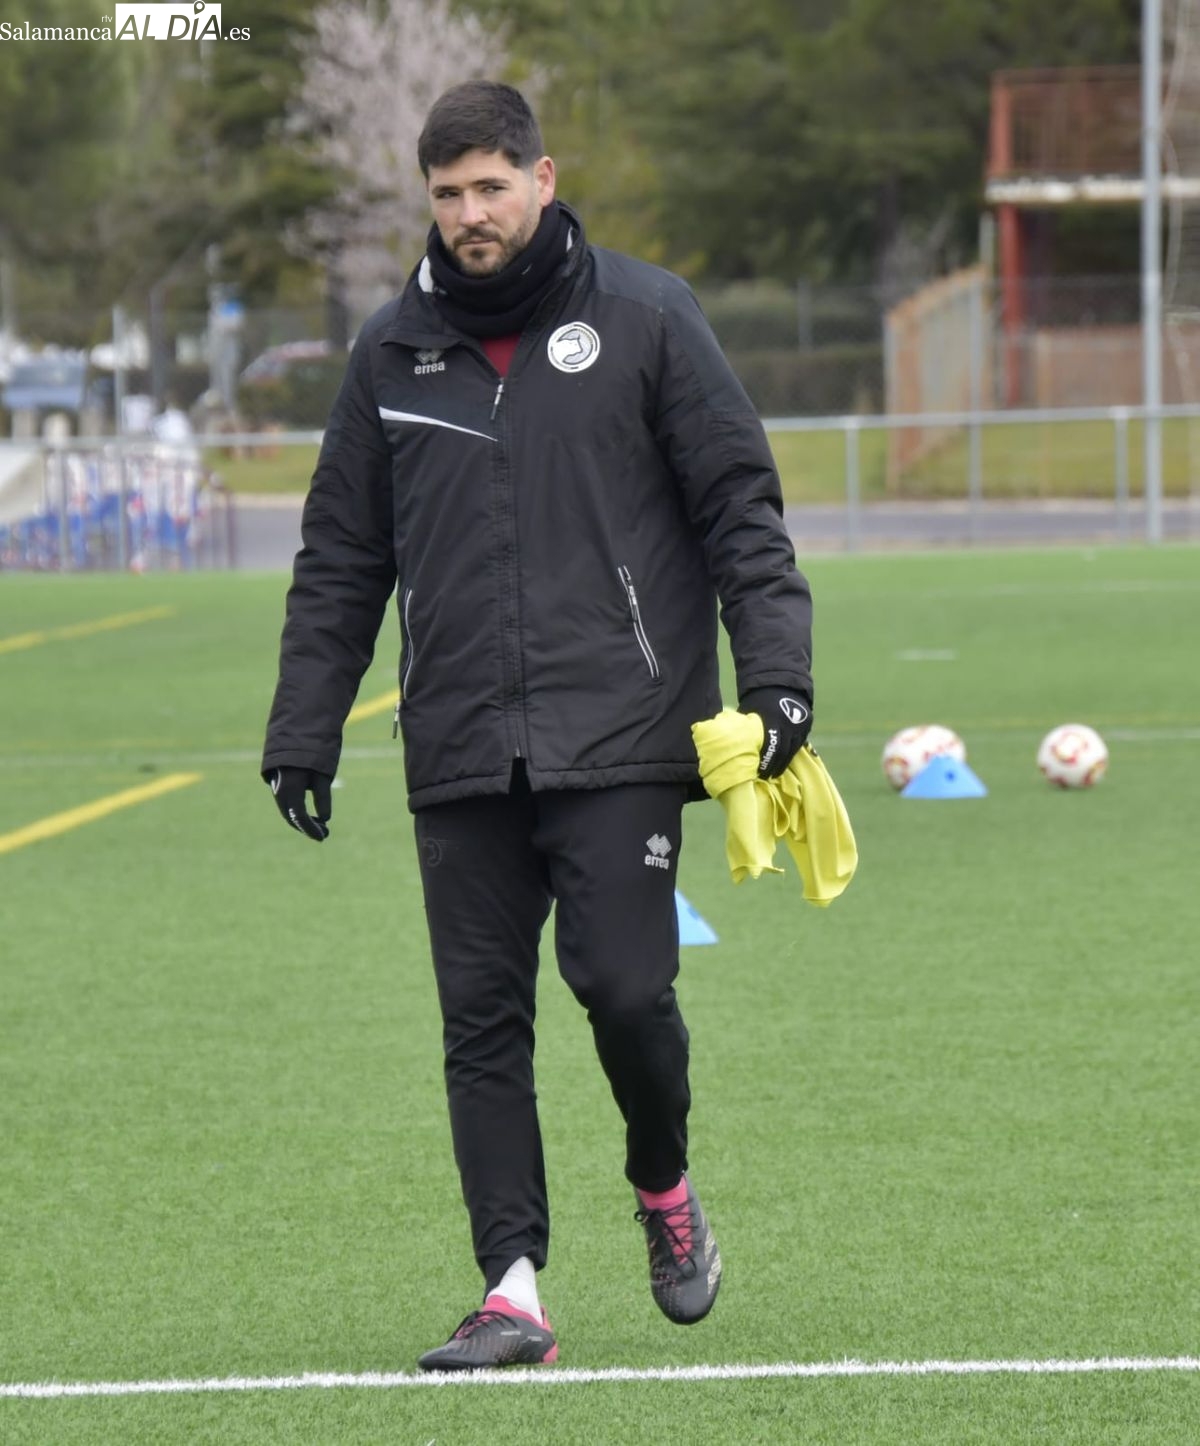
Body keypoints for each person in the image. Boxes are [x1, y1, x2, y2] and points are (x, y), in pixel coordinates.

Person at [262, 81, 814, 1372]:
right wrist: (305, 725)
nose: (471, 214)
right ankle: (512, 1291)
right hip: (458, 740)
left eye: (491, 188)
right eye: (448, 193)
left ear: (543, 179)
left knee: (624, 990)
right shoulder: (391, 351)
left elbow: (740, 507)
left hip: (622, 728)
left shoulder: (646, 316)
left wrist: (778, 678)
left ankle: (662, 1181)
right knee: (480, 1021)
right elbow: (342, 555)